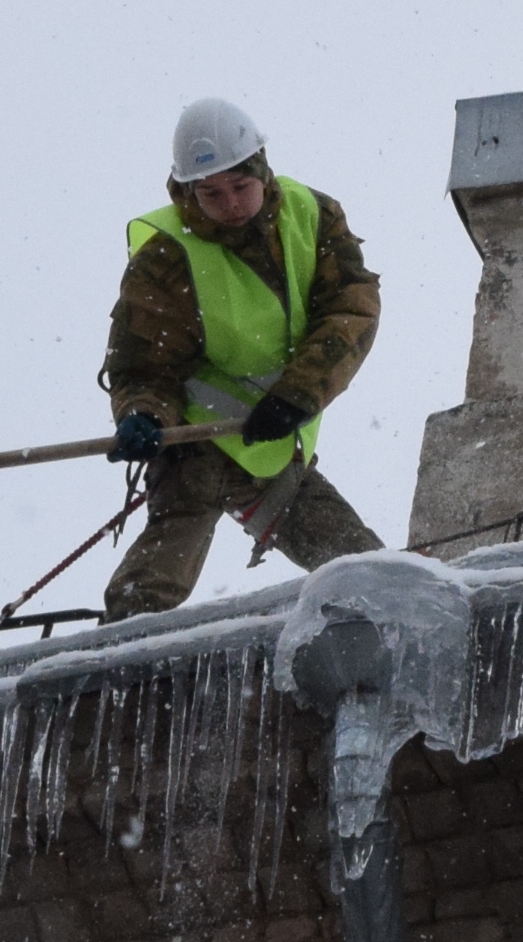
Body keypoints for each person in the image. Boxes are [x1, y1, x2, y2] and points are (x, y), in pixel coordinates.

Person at [98, 98, 384, 621]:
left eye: (240, 186)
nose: (230, 204)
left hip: (270, 439)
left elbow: (351, 310)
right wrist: (141, 413)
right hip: (194, 444)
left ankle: (390, 627)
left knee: (365, 571)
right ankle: (117, 671)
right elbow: (145, 360)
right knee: (149, 594)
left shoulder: (310, 215)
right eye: (210, 193)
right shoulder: (167, 254)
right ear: (187, 189)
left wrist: (299, 394)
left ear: (263, 168)